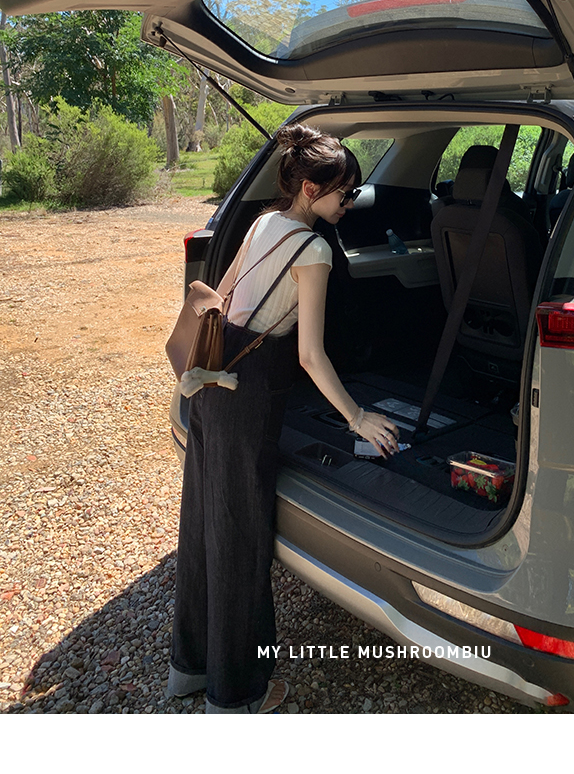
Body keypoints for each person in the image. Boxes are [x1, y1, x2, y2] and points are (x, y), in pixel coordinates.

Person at [167, 122, 400, 713]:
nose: (350, 203)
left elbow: (221, 297)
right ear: (311, 189)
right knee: (241, 537)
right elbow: (309, 355)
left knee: (202, 522)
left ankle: (189, 668)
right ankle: (237, 694)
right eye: (344, 192)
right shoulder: (314, 250)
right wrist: (357, 418)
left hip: (212, 375)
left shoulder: (262, 221)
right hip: (250, 392)